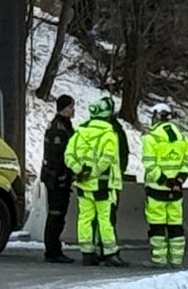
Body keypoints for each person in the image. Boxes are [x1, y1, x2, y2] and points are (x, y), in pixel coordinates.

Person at [65, 95, 125, 266]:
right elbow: (107, 158)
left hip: (83, 184)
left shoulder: (80, 133)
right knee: (105, 219)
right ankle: (110, 253)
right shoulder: (109, 134)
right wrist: (94, 172)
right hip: (104, 184)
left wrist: (79, 170)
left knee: (85, 218)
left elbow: (68, 155)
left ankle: (87, 252)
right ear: (107, 115)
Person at [141, 106, 188, 267]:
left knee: (157, 226)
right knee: (175, 225)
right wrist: (178, 180)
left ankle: (159, 259)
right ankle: (177, 260)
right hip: (176, 191)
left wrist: (165, 180)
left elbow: (149, 165)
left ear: (156, 117)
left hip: (156, 190)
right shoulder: (184, 139)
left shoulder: (151, 139)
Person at [39, 94, 77, 263]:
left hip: (60, 176)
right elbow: (57, 155)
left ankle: (54, 248)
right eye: (70, 107)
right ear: (63, 108)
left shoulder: (65, 126)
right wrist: (61, 176)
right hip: (56, 177)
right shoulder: (58, 129)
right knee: (56, 214)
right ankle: (52, 250)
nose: (72, 110)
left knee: (59, 214)